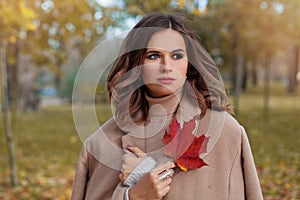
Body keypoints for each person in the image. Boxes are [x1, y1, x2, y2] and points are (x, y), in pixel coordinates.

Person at [71, 13, 263, 200]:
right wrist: (131, 196)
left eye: (177, 56)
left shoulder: (227, 133)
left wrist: (148, 171)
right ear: (136, 63)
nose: (166, 66)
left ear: (190, 64)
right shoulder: (99, 145)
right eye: (154, 56)